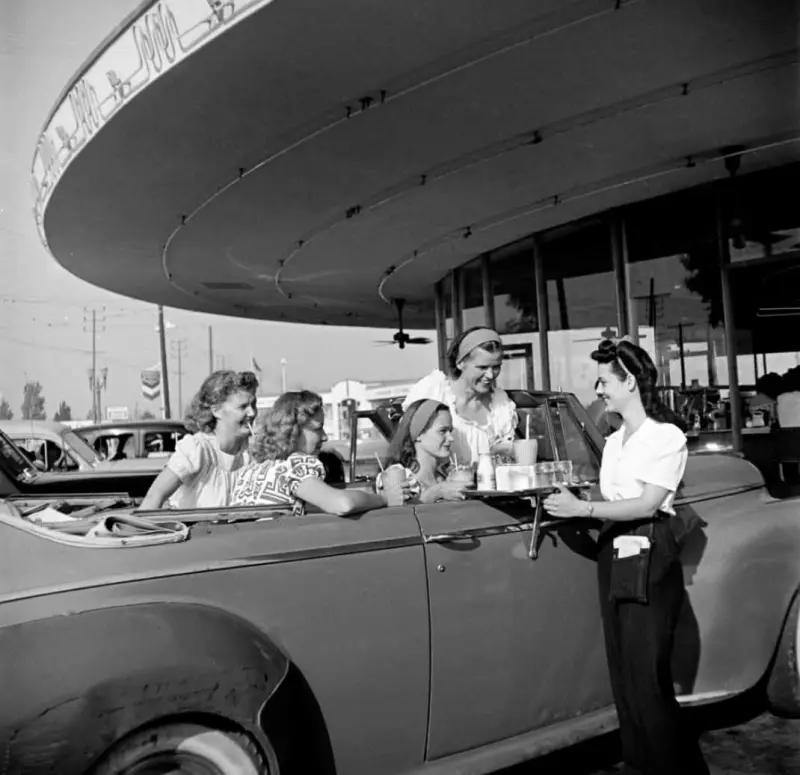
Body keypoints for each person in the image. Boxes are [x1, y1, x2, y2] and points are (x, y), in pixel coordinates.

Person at [543, 338, 708, 775]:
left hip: (649, 551)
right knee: (624, 672)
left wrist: (584, 509)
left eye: (603, 381)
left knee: (648, 675)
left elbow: (648, 504)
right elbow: (614, 500)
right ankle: (643, 763)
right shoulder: (615, 442)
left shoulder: (665, 436)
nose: (598, 390)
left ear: (629, 381)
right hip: (613, 549)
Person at [231, 390, 406, 515]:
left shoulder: (252, 470)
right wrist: (384, 499)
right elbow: (343, 504)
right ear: (293, 430)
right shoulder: (297, 465)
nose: (324, 437)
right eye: (317, 429)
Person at [140, 370, 258, 509]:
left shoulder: (251, 454)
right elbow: (155, 495)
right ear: (216, 411)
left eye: (253, 405)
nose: (252, 412)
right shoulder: (198, 449)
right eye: (243, 407)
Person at [402, 326, 518, 466]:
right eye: (482, 367)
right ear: (460, 363)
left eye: (496, 367)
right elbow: (404, 445)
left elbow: (507, 459)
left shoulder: (501, 404)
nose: (490, 375)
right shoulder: (434, 390)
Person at [377, 399, 471, 504]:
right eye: (442, 431)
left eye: (450, 431)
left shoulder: (447, 475)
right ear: (419, 434)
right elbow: (399, 512)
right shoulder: (401, 476)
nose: (451, 438)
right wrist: (437, 492)